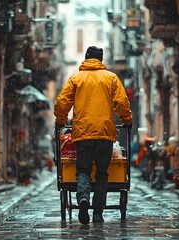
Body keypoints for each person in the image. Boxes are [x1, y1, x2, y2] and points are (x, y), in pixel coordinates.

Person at [54, 46, 132, 225]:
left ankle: (83, 199)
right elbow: (121, 102)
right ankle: (97, 213)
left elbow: (62, 103)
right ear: (101, 60)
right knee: (102, 173)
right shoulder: (110, 78)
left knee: (83, 170)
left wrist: (61, 120)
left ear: (86, 58)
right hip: (105, 134)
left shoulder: (76, 78)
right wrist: (126, 120)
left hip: (83, 134)